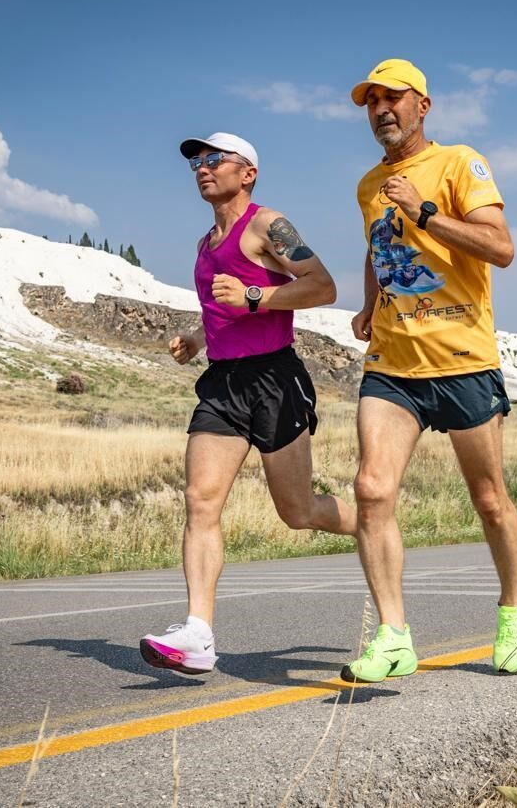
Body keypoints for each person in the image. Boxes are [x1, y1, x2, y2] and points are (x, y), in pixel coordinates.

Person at [341, 60, 517, 683]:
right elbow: (378, 245)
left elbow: (500, 248)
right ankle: (393, 635)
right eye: (372, 102)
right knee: (372, 489)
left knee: (490, 500)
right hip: (393, 364)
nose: (381, 110)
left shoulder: (459, 163)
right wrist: (369, 302)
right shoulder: (369, 184)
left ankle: (513, 608)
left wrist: (423, 211)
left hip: (462, 359)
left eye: (392, 98)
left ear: (423, 105)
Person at [140, 132, 357, 674]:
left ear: (248, 173)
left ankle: (374, 525)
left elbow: (323, 286)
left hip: (274, 380)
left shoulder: (267, 226)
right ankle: (198, 634)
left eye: (216, 159)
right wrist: (197, 338)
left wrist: (256, 296)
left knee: (298, 512)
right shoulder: (204, 244)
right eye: (197, 161)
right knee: (200, 499)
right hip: (223, 384)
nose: (203, 168)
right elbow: (222, 310)